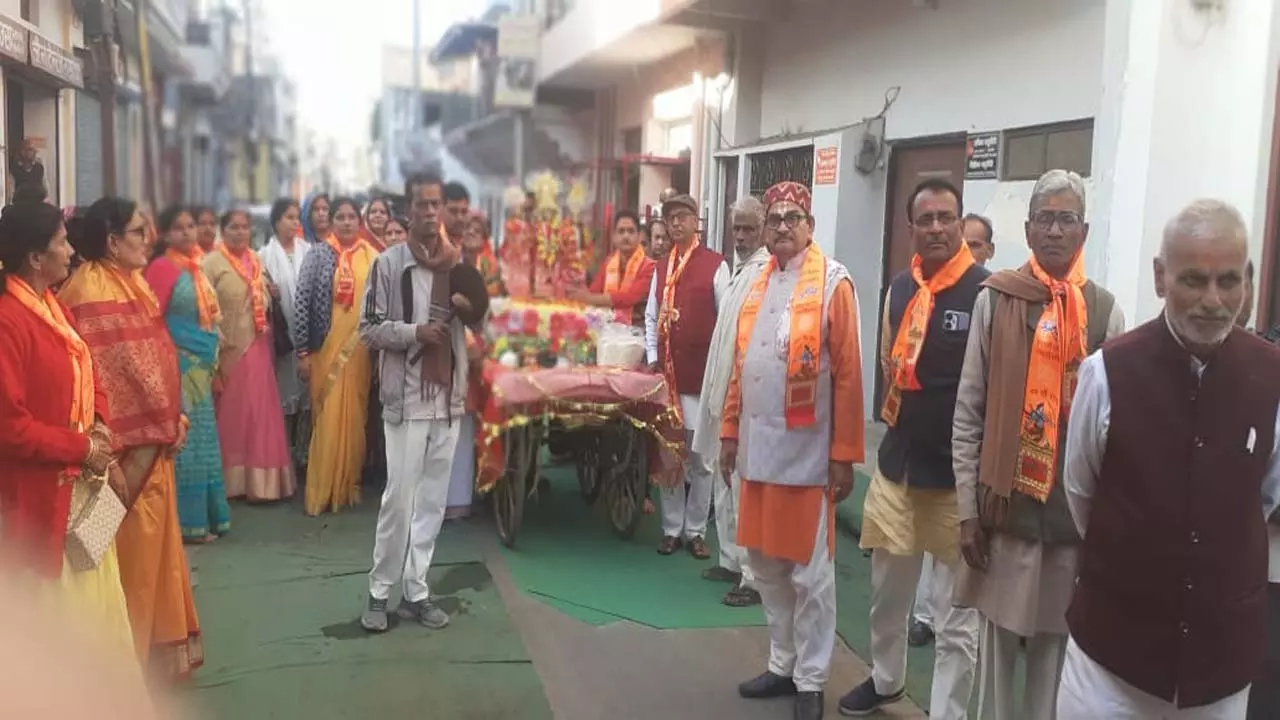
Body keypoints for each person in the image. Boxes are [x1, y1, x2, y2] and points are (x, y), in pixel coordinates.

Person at [1060, 198, 1280, 719]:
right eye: (1193, 280)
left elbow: (1265, 495)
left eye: (1229, 281)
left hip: (1219, 671)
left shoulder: (1272, 377)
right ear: (1160, 278)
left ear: (1247, 280)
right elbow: (1081, 493)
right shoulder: (1107, 373)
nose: (1213, 300)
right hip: (1110, 665)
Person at [951, 170, 1125, 719]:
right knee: (999, 653)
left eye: (1066, 219)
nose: (1054, 230)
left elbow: (1116, 430)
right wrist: (966, 511)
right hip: (1005, 517)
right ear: (1027, 230)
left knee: (1057, 658)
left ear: (1085, 231)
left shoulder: (1105, 313)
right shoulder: (996, 300)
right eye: (1044, 219)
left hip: (1070, 524)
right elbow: (969, 410)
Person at [839, 178, 985, 719]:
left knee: (956, 618)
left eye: (947, 217)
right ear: (911, 229)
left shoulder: (986, 293)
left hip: (957, 483)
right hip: (898, 469)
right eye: (926, 219)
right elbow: (885, 364)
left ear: (961, 221)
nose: (937, 227)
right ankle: (886, 679)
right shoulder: (898, 289)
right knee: (886, 600)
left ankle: (947, 713)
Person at [720, 181, 864, 720]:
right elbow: (743, 366)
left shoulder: (832, 283)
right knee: (765, 567)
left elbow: (848, 375)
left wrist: (844, 453)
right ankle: (782, 664)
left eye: (792, 216)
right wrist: (730, 432)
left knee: (810, 575)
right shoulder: (756, 281)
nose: (782, 225)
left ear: (810, 225)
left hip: (807, 457)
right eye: (774, 216)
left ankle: (811, 679)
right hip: (757, 452)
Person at [59, 196, 204, 681]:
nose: (150, 239)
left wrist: (175, 418)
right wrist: (149, 429)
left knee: (156, 567)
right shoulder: (85, 290)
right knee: (126, 571)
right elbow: (97, 380)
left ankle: (145, 665)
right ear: (112, 241)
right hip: (116, 466)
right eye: (139, 232)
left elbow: (157, 363)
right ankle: (118, 673)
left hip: (154, 450)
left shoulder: (135, 283)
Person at [0, 200, 139, 671]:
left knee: (99, 598)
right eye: (61, 242)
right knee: (58, 616)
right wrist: (85, 449)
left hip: (85, 488)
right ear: (36, 257)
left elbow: (89, 371)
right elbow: (9, 427)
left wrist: (100, 428)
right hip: (42, 496)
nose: (70, 251)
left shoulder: (54, 307)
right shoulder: (8, 320)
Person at [358, 172, 473, 633]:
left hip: (447, 400)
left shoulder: (458, 266)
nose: (429, 212)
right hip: (405, 401)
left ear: (443, 210)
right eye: (421, 205)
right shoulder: (388, 265)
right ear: (409, 211)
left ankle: (417, 590)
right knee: (398, 501)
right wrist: (414, 334)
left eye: (436, 204)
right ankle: (379, 591)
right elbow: (368, 329)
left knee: (432, 501)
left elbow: (468, 330)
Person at [691, 195, 771, 607]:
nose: (741, 235)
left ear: (763, 231)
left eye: (748, 228)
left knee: (740, 483)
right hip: (723, 389)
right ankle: (729, 558)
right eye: (736, 228)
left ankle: (752, 577)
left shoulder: (764, 273)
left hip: (744, 396)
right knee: (722, 478)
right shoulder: (739, 270)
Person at [645, 194, 729, 559]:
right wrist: (652, 359)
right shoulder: (661, 267)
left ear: (697, 221)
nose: (676, 223)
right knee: (669, 455)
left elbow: (726, 323)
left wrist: (722, 372)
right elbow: (651, 317)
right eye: (670, 218)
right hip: (669, 380)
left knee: (703, 460)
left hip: (702, 379)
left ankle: (696, 530)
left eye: (683, 217)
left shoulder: (716, 265)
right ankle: (670, 528)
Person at [144, 206, 230, 542]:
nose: (187, 233)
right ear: (164, 235)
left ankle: (207, 519)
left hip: (201, 368)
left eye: (191, 226)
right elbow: (152, 320)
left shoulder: (196, 267)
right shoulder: (162, 269)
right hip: (178, 367)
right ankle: (186, 525)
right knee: (188, 444)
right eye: (178, 228)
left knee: (204, 441)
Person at [205, 209, 296, 502]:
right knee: (233, 414)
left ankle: (264, 484)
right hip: (228, 351)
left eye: (244, 227)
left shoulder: (256, 261)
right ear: (223, 230)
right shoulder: (211, 263)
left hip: (259, 346)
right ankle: (233, 483)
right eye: (233, 227)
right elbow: (204, 307)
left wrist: (272, 293)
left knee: (261, 415)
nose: (240, 233)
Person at [295, 196, 378, 515]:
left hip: (359, 352)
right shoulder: (319, 254)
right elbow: (302, 303)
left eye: (351, 217)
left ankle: (346, 487)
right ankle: (322, 490)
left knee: (354, 418)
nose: (345, 222)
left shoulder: (373, 257)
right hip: (324, 351)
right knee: (327, 416)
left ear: (360, 222)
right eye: (339, 216)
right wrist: (303, 352)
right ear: (330, 221)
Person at [260, 198, 312, 471]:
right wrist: (268, 294)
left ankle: (303, 452)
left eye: (296, 217)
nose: (294, 222)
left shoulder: (309, 251)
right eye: (289, 217)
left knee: (307, 396)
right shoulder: (263, 256)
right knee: (283, 395)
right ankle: (283, 455)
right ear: (277, 220)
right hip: (281, 339)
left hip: (306, 338)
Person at [567, 209, 656, 326]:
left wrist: (588, 298)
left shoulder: (649, 266)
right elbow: (594, 290)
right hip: (608, 327)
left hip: (637, 330)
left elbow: (630, 297)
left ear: (638, 236)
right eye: (621, 231)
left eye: (630, 231)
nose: (626, 236)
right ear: (614, 236)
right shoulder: (609, 263)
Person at [461, 210, 503, 296]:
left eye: (477, 231)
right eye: (467, 227)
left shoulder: (490, 265)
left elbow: (492, 294)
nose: (470, 232)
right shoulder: (452, 257)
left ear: (483, 241)